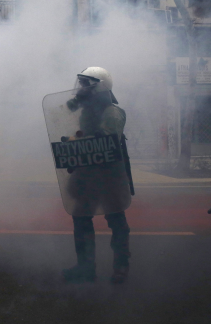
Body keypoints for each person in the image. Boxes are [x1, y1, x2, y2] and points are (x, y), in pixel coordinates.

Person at [61, 67, 132, 283]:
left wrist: (77, 143)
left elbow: (104, 141)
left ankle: (121, 266)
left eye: (86, 84)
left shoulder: (112, 112)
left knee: (116, 218)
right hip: (88, 174)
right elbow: (80, 130)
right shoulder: (87, 111)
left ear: (99, 86)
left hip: (109, 175)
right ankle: (85, 267)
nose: (81, 89)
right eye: (81, 84)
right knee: (81, 218)